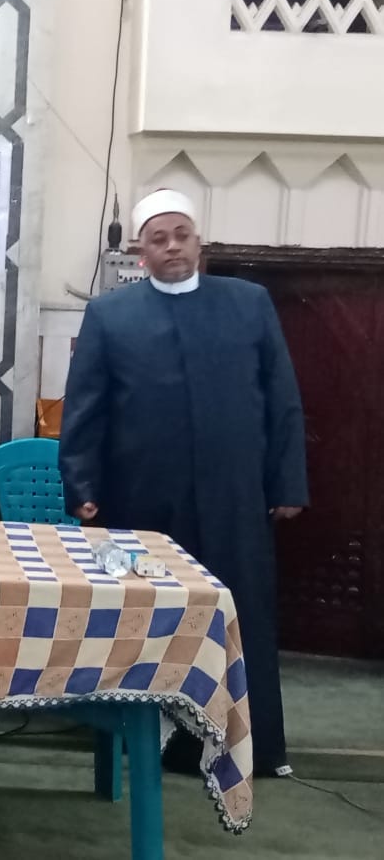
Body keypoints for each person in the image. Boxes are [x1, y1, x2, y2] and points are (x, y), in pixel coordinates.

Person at [59, 188, 308, 778]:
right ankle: (147, 741)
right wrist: (83, 486)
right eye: (159, 239)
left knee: (237, 617)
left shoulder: (249, 304)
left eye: (182, 235)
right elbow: (85, 409)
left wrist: (287, 483)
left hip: (234, 495)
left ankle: (250, 745)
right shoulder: (111, 315)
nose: (172, 247)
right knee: (150, 617)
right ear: (140, 252)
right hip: (144, 497)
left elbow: (282, 399)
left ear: (199, 242)